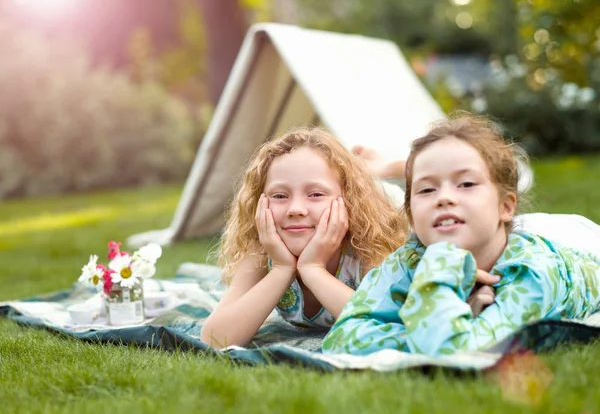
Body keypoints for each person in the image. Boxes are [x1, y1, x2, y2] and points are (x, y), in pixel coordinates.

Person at [322, 115, 600, 357]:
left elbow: (454, 352)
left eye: (466, 184)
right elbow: (342, 338)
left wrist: (438, 271)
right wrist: (431, 326)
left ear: (505, 206)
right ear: (412, 219)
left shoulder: (532, 273)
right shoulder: (410, 256)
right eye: (427, 190)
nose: (444, 198)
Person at [200, 127, 407, 348]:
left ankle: (383, 168)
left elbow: (385, 329)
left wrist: (313, 269)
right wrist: (281, 269)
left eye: (316, 194)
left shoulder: (368, 246)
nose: (296, 209)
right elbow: (215, 339)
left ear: (349, 200)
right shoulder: (262, 251)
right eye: (280, 195)